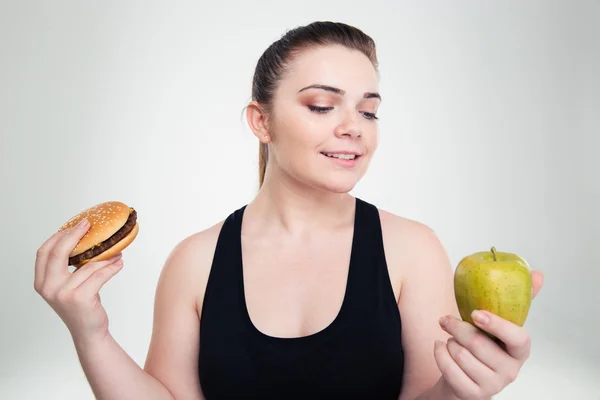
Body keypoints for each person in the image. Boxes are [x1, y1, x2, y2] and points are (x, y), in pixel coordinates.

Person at [34, 21, 544, 400]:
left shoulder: (412, 249)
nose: (354, 127)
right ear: (261, 121)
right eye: (323, 105)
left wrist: (463, 388)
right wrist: (90, 332)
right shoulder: (195, 261)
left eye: (368, 110)